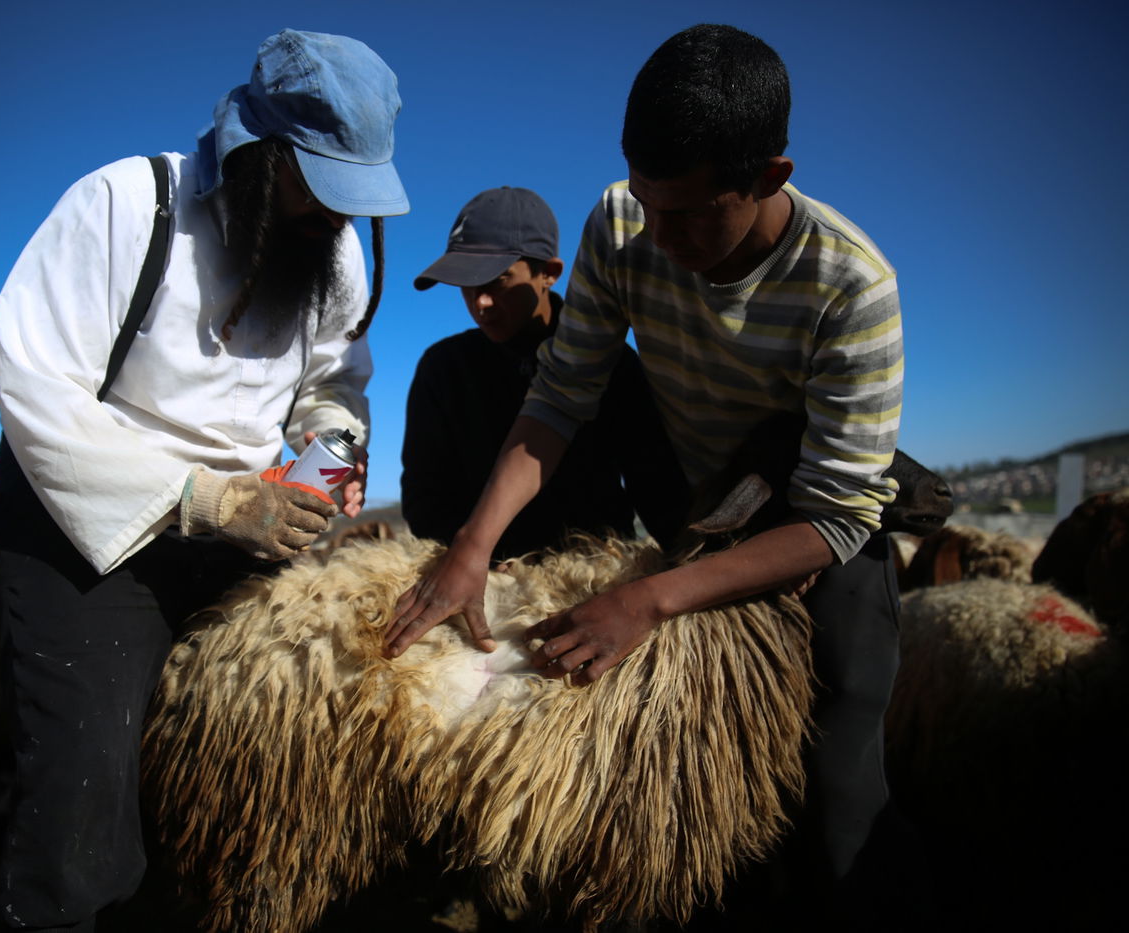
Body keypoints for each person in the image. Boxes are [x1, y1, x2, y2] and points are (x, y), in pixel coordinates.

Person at [385, 24, 904, 928]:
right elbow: (561, 396)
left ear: (769, 179)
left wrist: (656, 597)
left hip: (807, 517)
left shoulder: (851, 287)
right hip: (697, 508)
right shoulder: (624, 221)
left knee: (837, 753)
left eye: (693, 214)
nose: (660, 238)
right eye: (650, 204)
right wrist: (472, 544)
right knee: (667, 757)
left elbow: (837, 516)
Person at [0, 29, 408, 931]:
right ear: (259, 153)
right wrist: (206, 497)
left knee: (269, 763)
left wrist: (328, 457)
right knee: (88, 802)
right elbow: (36, 384)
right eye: (320, 188)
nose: (337, 216)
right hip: (89, 526)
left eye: (353, 197)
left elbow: (334, 382)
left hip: (241, 529)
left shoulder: (333, 251)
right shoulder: (125, 205)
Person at [401, 186, 681, 561]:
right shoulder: (443, 368)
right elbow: (425, 500)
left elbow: (655, 487)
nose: (480, 302)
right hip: (479, 577)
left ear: (548, 273)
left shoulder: (611, 362)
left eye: (497, 280)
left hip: (592, 572)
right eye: (467, 284)